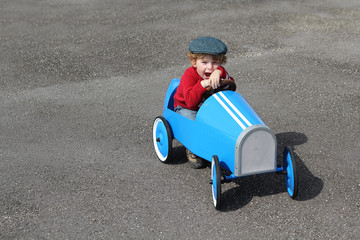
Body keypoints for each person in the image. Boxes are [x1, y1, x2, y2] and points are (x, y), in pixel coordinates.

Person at [173, 36, 235, 168]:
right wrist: (202, 84)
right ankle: (192, 148)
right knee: (194, 122)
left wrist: (220, 72)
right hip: (187, 108)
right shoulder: (189, 75)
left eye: (215, 63)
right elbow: (190, 102)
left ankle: (231, 143)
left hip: (208, 106)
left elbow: (231, 84)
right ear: (194, 62)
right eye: (205, 62)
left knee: (227, 119)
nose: (210, 67)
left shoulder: (219, 72)